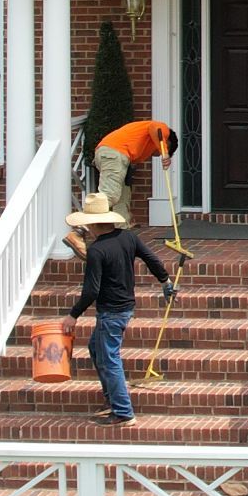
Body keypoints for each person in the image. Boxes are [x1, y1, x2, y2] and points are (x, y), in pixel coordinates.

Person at [66, 193, 175, 424]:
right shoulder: (128, 237)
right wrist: (165, 281)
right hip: (125, 307)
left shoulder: (97, 250)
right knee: (96, 348)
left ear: (92, 224)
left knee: (109, 358)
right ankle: (112, 400)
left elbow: (91, 291)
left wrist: (72, 315)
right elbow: (152, 259)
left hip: (111, 313)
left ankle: (123, 412)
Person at [84, 118, 178, 252]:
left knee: (122, 202)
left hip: (116, 155)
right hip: (114, 153)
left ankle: (121, 240)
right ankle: (79, 229)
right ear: (167, 143)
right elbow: (154, 128)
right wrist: (165, 153)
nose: (156, 154)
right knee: (109, 196)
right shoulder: (161, 129)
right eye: (163, 150)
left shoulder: (143, 142)